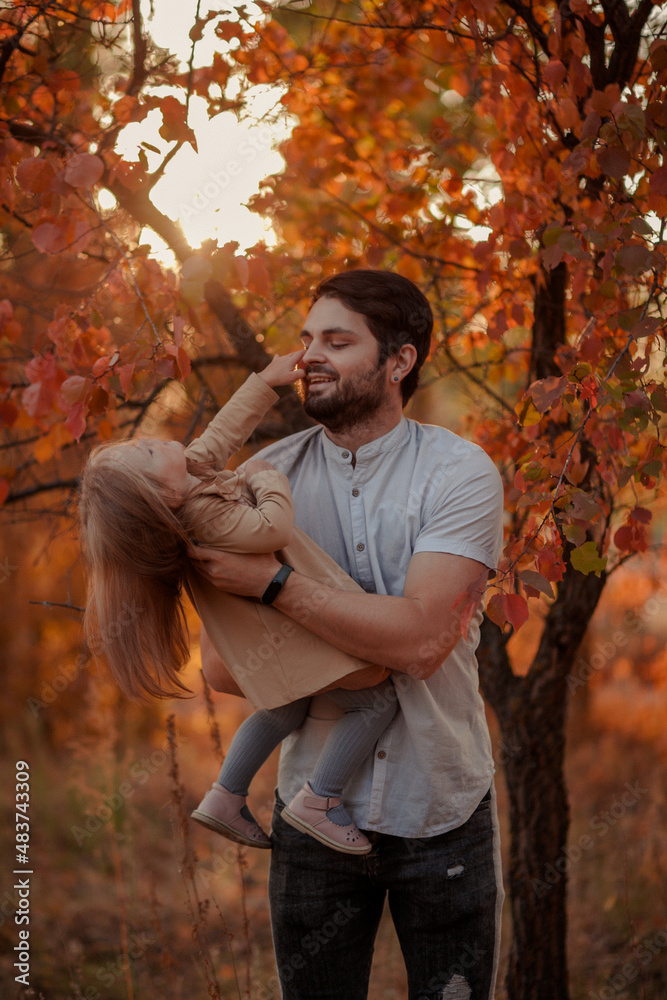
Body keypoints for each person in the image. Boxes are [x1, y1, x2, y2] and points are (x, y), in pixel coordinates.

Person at [189, 268, 506, 1000]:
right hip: (308, 818)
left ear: (399, 361)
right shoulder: (263, 478)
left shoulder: (458, 472)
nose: (310, 357)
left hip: (441, 803)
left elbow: (420, 645)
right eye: (306, 340)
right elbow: (224, 667)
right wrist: (369, 632)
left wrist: (273, 589)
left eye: (337, 341)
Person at [78, 350, 399, 857]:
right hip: (291, 629)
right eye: (147, 454)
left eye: (142, 444)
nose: (153, 441)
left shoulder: (190, 477)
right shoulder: (205, 517)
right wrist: (264, 476)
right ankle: (320, 799)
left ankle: (225, 795)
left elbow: (221, 433)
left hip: (270, 640)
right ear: (165, 497)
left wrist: (266, 382)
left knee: (283, 708)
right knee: (377, 700)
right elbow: (272, 528)